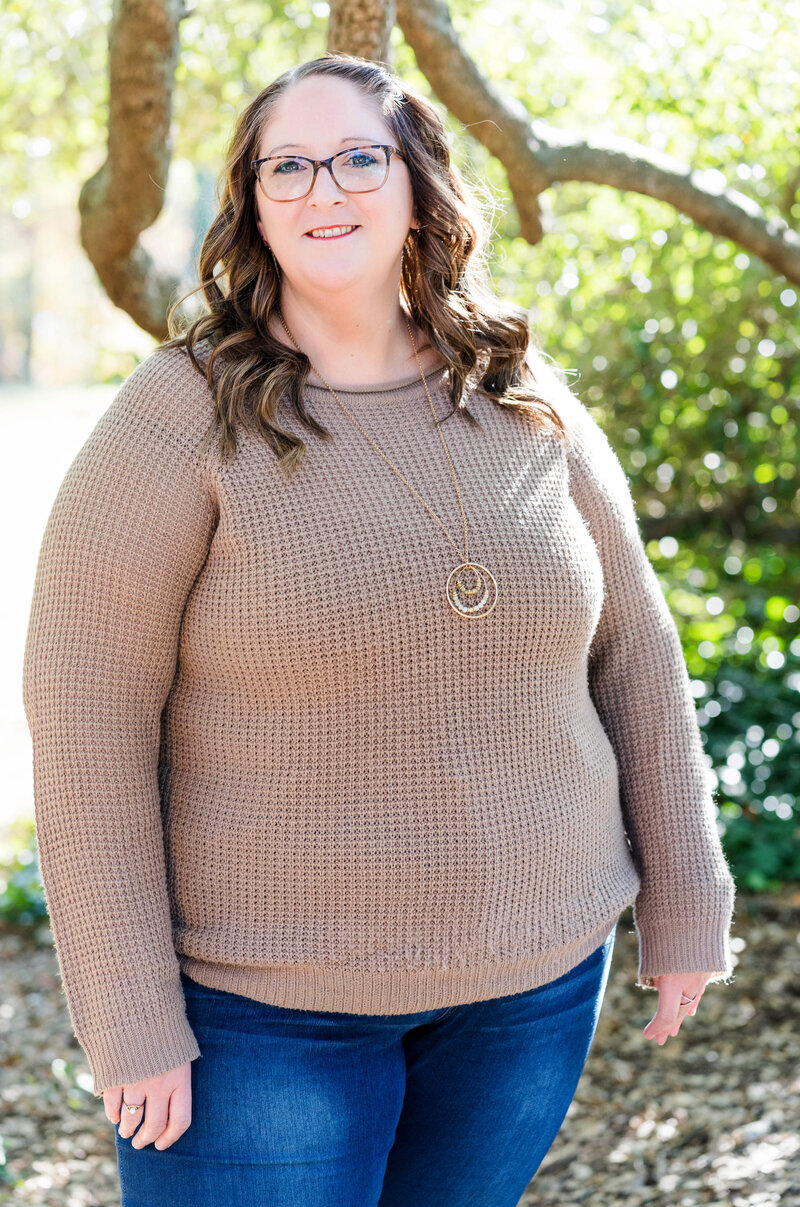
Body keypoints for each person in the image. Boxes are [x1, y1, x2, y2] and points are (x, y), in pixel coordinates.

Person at [22, 51, 737, 1207]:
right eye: (288, 166)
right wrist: (129, 1012)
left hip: (531, 993)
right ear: (252, 203)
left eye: (358, 158)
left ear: (417, 185)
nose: (324, 189)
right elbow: (85, 722)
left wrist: (686, 897)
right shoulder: (177, 415)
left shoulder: (518, 387)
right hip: (258, 1018)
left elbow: (636, 658)